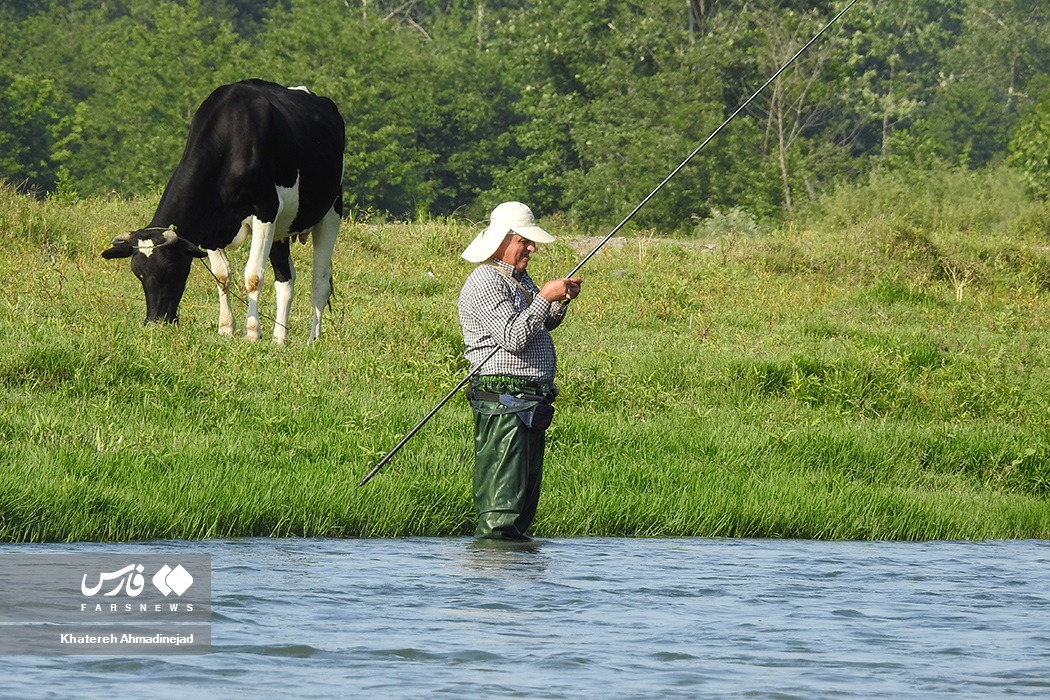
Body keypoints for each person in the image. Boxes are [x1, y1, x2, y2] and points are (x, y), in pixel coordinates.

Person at [458, 201, 582, 541]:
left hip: (528, 403)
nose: (532, 247)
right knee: (503, 502)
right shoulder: (485, 280)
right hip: (503, 402)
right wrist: (544, 295)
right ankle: (495, 575)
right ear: (502, 239)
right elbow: (512, 337)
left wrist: (560, 300)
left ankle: (520, 581)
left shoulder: (518, 278)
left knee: (523, 501)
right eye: (524, 240)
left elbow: (541, 324)